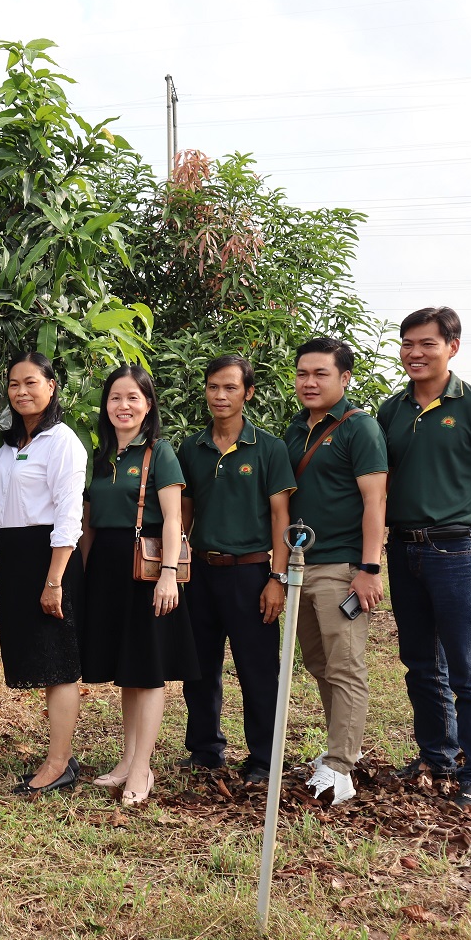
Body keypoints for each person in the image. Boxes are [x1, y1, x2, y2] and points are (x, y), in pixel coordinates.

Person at [377, 307, 471, 814]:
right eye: (407, 343)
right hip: (404, 548)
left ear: (452, 347)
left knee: (469, 669)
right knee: (419, 664)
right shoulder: (391, 411)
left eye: (427, 344)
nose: (415, 353)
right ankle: (437, 757)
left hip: (456, 548)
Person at [0, 352, 86, 795]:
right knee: (37, 659)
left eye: (31, 382)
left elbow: (69, 516)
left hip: (49, 557)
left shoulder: (62, 441)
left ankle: (60, 764)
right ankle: (57, 754)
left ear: (51, 386)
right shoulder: (9, 444)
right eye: (14, 384)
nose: (21, 391)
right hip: (15, 557)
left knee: (58, 664)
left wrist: (54, 580)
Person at [79, 365, 198, 805]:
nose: (123, 406)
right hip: (107, 570)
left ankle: (143, 770)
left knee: (148, 673)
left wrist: (169, 574)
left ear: (148, 405)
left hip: (146, 570)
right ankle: (127, 760)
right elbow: (89, 525)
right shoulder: (101, 456)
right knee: (126, 669)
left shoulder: (159, 452)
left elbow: (172, 519)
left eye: (133, 398)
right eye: (115, 398)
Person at [176, 355, 296, 786]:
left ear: (248, 392)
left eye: (230, 388)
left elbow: (281, 516)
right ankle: (206, 750)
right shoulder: (191, 448)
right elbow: (184, 512)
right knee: (199, 668)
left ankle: (264, 758)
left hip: (250, 575)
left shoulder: (268, 448)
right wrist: (176, 568)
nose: (220, 396)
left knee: (258, 670)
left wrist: (276, 579)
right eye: (213, 387)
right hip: (201, 574)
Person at [284, 337, 388, 807]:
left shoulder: (358, 428)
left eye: (321, 374)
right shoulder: (294, 431)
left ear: (344, 378)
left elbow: (375, 501)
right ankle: (338, 750)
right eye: (303, 373)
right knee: (319, 663)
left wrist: (368, 567)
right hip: (300, 567)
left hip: (342, 566)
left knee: (345, 665)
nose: (309, 382)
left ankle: (342, 766)